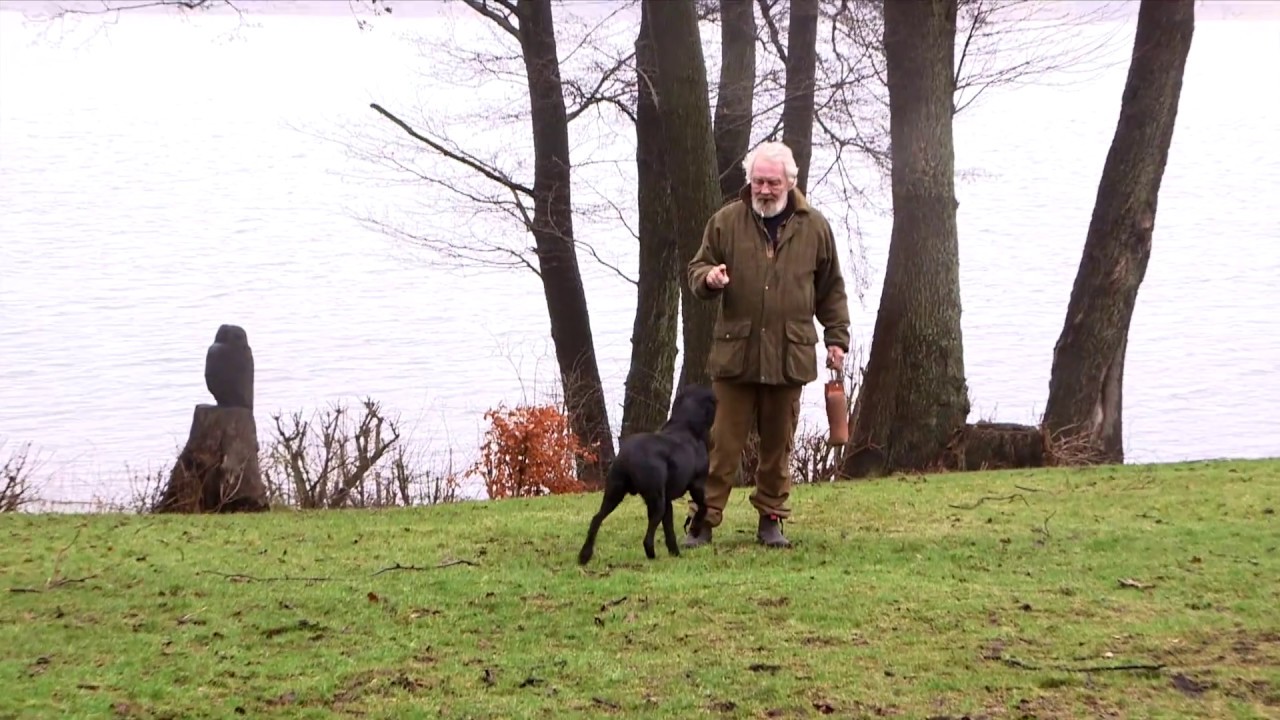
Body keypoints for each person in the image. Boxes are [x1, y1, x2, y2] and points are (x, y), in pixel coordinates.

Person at [683, 140, 851, 549]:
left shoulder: (815, 227)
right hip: (735, 356)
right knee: (722, 444)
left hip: (788, 356)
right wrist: (709, 279)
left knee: (779, 445)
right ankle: (702, 522)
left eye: (772, 182)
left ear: (790, 182)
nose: (764, 189)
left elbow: (831, 289)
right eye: (758, 181)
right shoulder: (725, 222)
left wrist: (836, 338)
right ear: (749, 181)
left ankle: (771, 520)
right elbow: (696, 268)